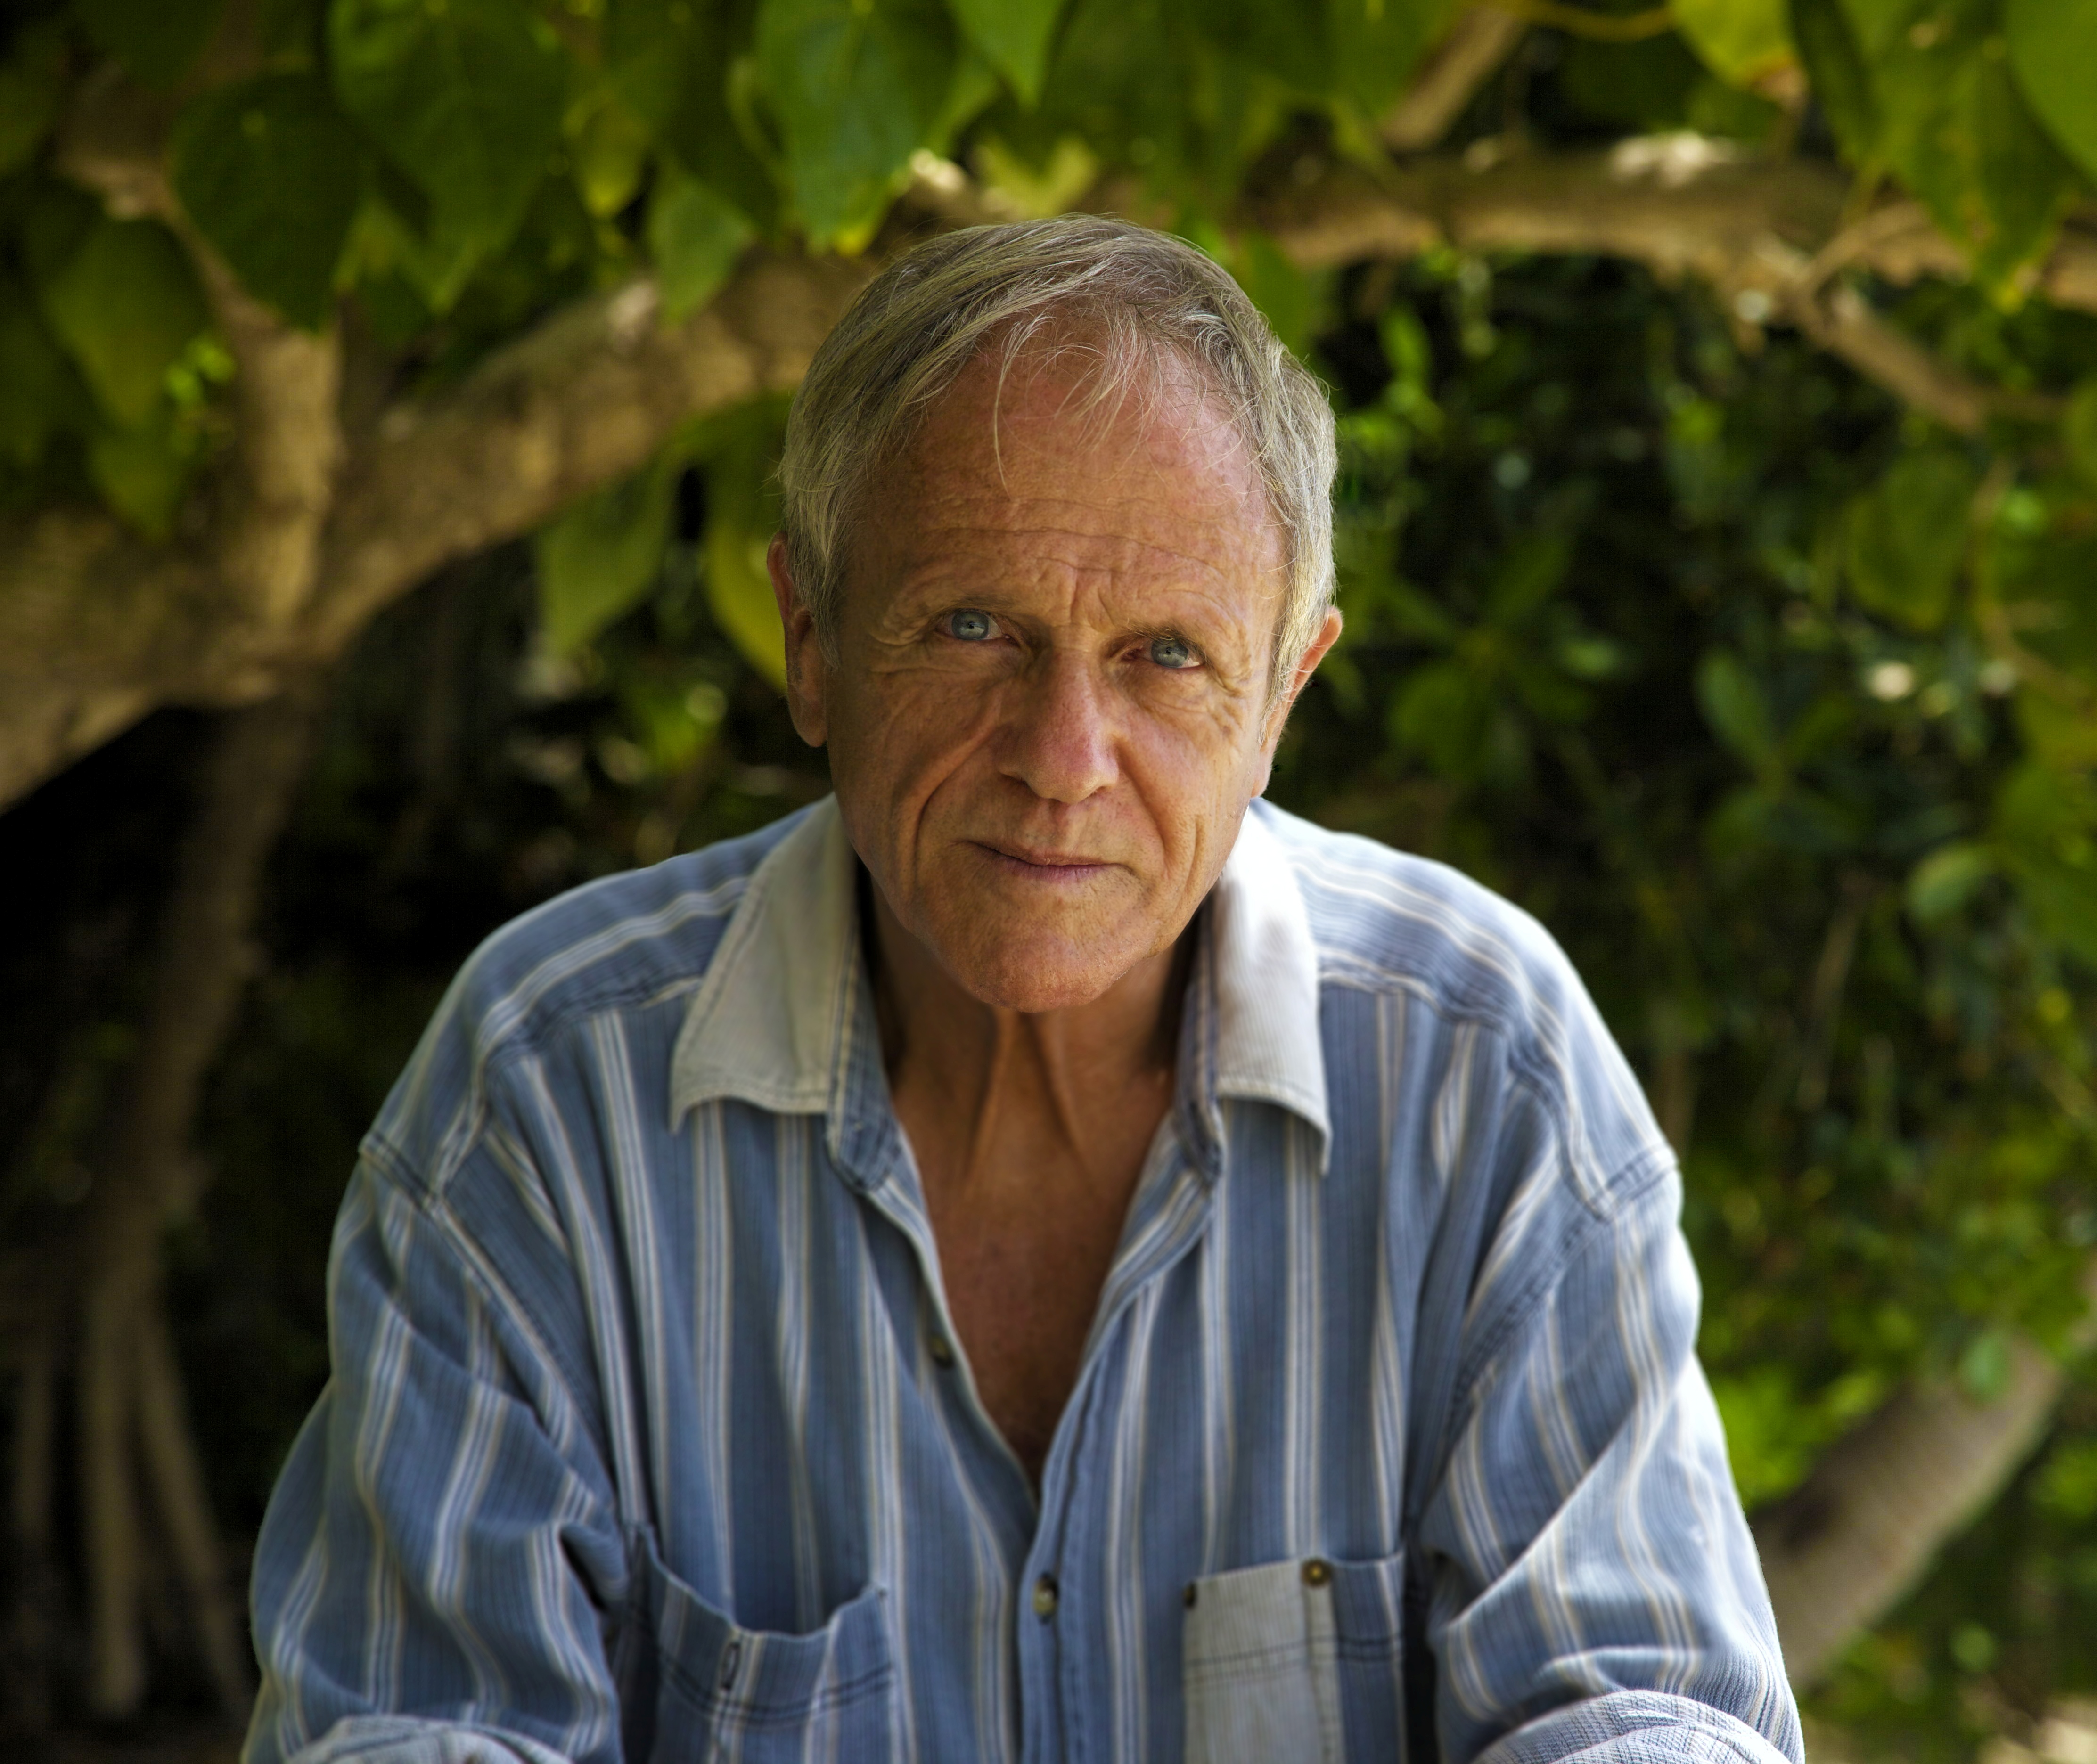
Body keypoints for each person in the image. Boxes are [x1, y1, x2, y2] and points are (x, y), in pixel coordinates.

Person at [244, 217, 1800, 1764]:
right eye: (975, 628)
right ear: (811, 641)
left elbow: (1638, 1703)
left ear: (1284, 699)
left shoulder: (1485, 1075)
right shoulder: (551, 1093)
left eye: (1168, 657)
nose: (1063, 759)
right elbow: (415, 1724)